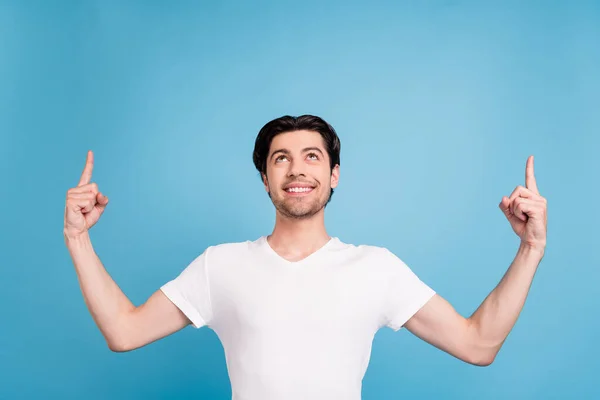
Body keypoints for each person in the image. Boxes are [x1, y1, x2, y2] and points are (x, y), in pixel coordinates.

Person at [64, 115, 547, 400]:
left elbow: (478, 345)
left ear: (335, 174)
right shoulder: (221, 266)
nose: (297, 169)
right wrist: (78, 238)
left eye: (312, 156)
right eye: (281, 158)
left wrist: (530, 248)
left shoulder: (374, 268)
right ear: (265, 178)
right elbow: (124, 332)